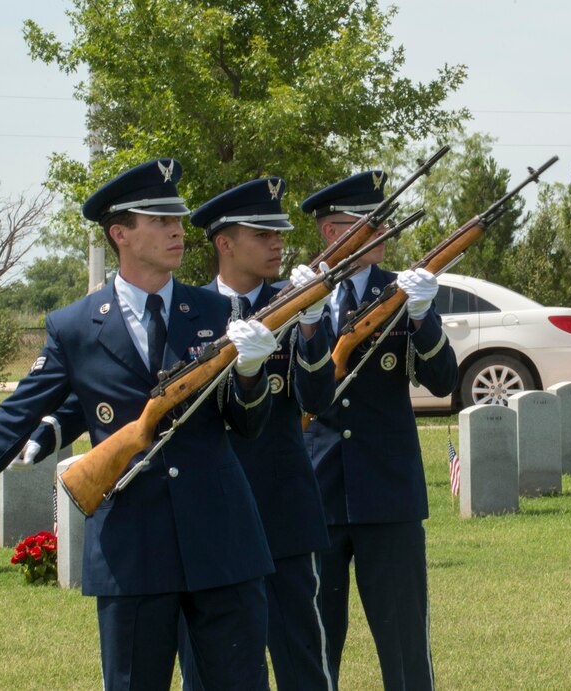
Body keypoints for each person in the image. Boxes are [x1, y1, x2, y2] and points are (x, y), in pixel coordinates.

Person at [0, 159, 279, 690]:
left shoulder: (214, 310)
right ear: (120, 233)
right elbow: (14, 417)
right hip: (132, 549)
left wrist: (251, 373)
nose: (176, 231)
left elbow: (246, 425)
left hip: (222, 539)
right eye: (159, 221)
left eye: (178, 220)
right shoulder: (74, 325)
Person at [301, 171, 458, 689]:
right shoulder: (295, 298)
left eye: (384, 225)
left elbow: (443, 381)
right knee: (316, 645)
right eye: (369, 225)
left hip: (388, 495)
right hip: (315, 495)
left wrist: (421, 317)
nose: (383, 235)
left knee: (405, 645)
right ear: (332, 233)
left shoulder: (402, 292)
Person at [176, 177, 336, 689]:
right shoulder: (186, 313)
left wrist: (311, 326)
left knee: (300, 660)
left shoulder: (298, 303)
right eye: (262, 233)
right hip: (209, 515)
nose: (277, 243)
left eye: (279, 232)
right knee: (209, 668)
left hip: (279, 507)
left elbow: (318, 400)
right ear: (224, 243)